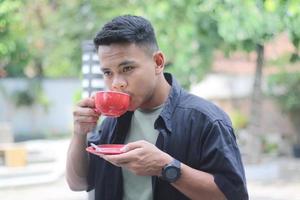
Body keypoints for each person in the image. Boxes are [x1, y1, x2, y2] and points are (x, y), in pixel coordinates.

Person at [66, 15, 248, 200]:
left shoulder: (206, 120)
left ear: (158, 62)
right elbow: (78, 183)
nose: (116, 83)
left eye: (127, 68)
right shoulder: (112, 123)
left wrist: (166, 167)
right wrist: (79, 133)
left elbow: (234, 195)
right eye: (108, 73)